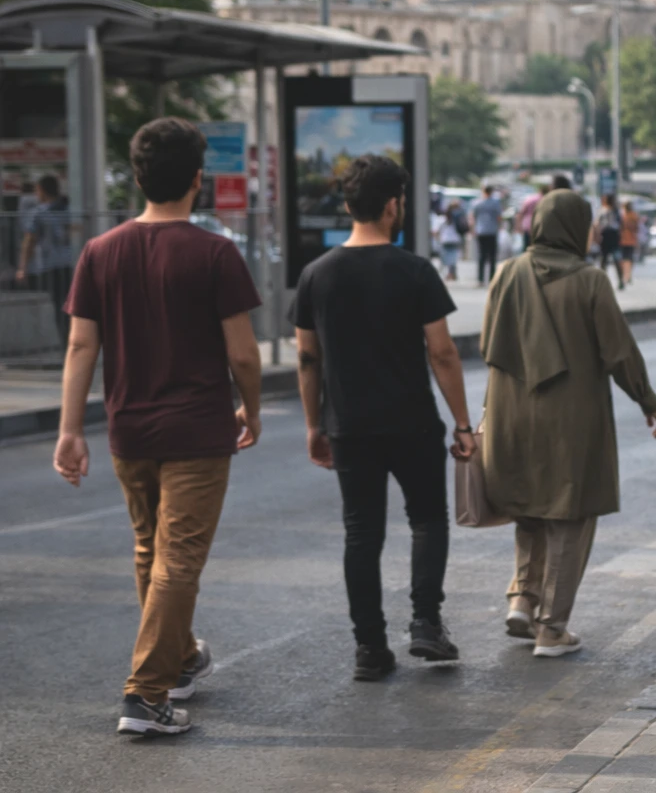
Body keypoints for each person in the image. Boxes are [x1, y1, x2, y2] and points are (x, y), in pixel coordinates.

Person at [56, 118, 263, 735]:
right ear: (198, 179)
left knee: (151, 549)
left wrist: (70, 429)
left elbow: (81, 346)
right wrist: (251, 408)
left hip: (130, 430)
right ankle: (146, 696)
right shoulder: (215, 253)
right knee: (178, 559)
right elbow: (244, 354)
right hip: (197, 431)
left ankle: (181, 657)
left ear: (138, 177)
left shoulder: (101, 251)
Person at [290, 155, 477, 682]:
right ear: (394, 204)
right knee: (427, 519)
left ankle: (370, 648)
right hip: (413, 422)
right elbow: (442, 353)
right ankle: (426, 623)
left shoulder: (315, 275)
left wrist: (313, 425)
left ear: (349, 205)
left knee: (361, 532)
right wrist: (463, 424)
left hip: (349, 427)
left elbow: (307, 358)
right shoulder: (415, 271)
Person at [480, 190, 656, 657]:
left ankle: (523, 600)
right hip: (571, 418)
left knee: (529, 505)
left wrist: (486, 413)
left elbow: (489, 345)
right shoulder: (590, 281)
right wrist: (647, 400)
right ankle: (551, 628)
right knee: (570, 513)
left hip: (510, 411)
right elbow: (619, 351)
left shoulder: (507, 273)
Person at [17, 174, 75, 343]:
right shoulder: (69, 209)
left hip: (51, 265)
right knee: (73, 305)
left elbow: (29, 241)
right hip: (72, 264)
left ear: (41, 190)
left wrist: (22, 268)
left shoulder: (39, 213)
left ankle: (67, 344)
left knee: (59, 306)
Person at [471, 184, 504, 285]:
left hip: (481, 231)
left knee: (481, 255)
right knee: (492, 256)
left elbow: (473, 217)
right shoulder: (495, 203)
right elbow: (499, 217)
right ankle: (492, 278)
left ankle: (480, 279)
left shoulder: (477, 203)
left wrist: (473, 229)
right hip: (492, 231)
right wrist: (499, 226)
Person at [596, 195, 623, 288]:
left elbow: (598, 224)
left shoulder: (604, 211)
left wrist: (598, 236)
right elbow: (620, 225)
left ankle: (602, 281)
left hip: (607, 236)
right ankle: (619, 280)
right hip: (612, 236)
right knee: (614, 260)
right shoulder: (615, 211)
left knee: (604, 260)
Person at [436, 202, 464, 281]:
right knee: (453, 258)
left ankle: (447, 274)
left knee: (445, 258)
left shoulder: (443, 219)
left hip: (445, 240)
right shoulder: (457, 218)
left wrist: (438, 238)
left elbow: (438, 230)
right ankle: (452, 274)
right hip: (454, 239)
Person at [618, 199, 640, 287]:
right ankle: (628, 275)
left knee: (625, 259)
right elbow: (637, 228)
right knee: (629, 259)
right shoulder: (633, 216)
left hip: (624, 240)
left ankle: (626, 275)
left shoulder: (623, 216)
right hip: (630, 240)